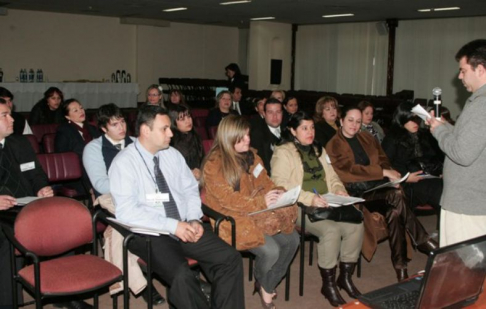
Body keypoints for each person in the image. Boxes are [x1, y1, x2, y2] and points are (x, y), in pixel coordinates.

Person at [109, 105, 244, 309]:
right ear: (146, 130)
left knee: (230, 258)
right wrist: (173, 226)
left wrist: (193, 219)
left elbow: (190, 190)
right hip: (149, 233)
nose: (171, 133)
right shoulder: (124, 163)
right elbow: (127, 212)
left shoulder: (172, 155)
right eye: (164, 129)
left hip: (184, 224)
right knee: (181, 275)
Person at [326, 106, 438, 282]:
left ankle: (401, 269)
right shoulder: (334, 144)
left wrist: (389, 171)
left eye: (358, 121)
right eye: (350, 120)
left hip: (378, 188)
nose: (354, 125)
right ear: (341, 121)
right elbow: (347, 171)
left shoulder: (366, 137)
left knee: (395, 211)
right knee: (396, 196)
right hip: (356, 192)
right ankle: (422, 240)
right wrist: (383, 172)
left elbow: (383, 157)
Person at [202, 115, 299, 309]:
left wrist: (276, 191)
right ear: (228, 138)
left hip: (258, 213)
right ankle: (266, 285)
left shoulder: (252, 156)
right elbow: (228, 200)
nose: (248, 139)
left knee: (292, 240)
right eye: (242, 137)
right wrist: (261, 202)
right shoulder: (214, 164)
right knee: (271, 251)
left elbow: (264, 181)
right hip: (232, 219)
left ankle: (266, 283)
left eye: (248, 135)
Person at [0, 99, 87, 309]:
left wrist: (42, 188)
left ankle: (65, 295)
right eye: (4, 115)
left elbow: (36, 174)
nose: (12, 119)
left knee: (61, 228)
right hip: (2, 214)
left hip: (27, 206)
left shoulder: (19, 143)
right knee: (5, 242)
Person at [271, 111, 364, 307]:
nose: (310, 132)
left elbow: (332, 177)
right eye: (304, 128)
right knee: (331, 231)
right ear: (292, 131)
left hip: (328, 202)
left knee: (356, 225)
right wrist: (309, 198)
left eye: (312, 127)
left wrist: (339, 190)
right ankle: (328, 284)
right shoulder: (283, 152)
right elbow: (280, 184)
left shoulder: (318, 150)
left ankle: (344, 278)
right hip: (298, 206)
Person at [82, 103, 165, 305]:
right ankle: (143, 284)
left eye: (122, 122)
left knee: (120, 232)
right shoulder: (93, 148)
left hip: (144, 195)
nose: (121, 128)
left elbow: (158, 170)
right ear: (103, 128)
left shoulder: (138, 142)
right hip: (111, 198)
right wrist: (135, 188)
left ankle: (140, 274)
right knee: (127, 222)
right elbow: (101, 184)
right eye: (114, 124)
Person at [427, 39, 486, 247]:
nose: (459, 76)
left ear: (480, 69)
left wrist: (438, 130)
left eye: (463, 70)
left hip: (466, 204)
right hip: (473, 200)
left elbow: (462, 153)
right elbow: (472, 140)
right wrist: (446, 126)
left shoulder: (481, 104)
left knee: (463, 269)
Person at [382, 101, 444, 216]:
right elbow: (385, 164)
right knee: (438, 191)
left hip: (424, 177)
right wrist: (405, 178)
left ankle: (446, 229)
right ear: (402, 119)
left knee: (445, 188)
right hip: (403, 181)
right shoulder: (392, 138)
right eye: (411, 119)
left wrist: (439, 171)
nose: (415, 123)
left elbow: (433, 157)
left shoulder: (422, 135)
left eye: (417, 119)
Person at [55, 99, 100, 195]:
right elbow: (63, 158)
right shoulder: (64, 131)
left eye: (81, 108)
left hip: (97, 167)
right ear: (67, 116)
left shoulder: (92, 129)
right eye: (75, 110)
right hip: (78, 173)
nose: (81, 111)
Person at [168, 104, 204, 180]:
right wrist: (190, 172)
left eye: (189, 116)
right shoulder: (170, 142)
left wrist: (201, 171)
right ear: (173, 122)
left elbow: (203, 159)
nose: (188, 121)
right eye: (182, 119)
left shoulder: (195, 136)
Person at [250, 98, 283, 175]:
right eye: (270, 112)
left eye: (278, 112)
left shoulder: (289, 130)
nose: (275, 116)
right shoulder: (257, 134)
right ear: (264, 114)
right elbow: (262, 164)